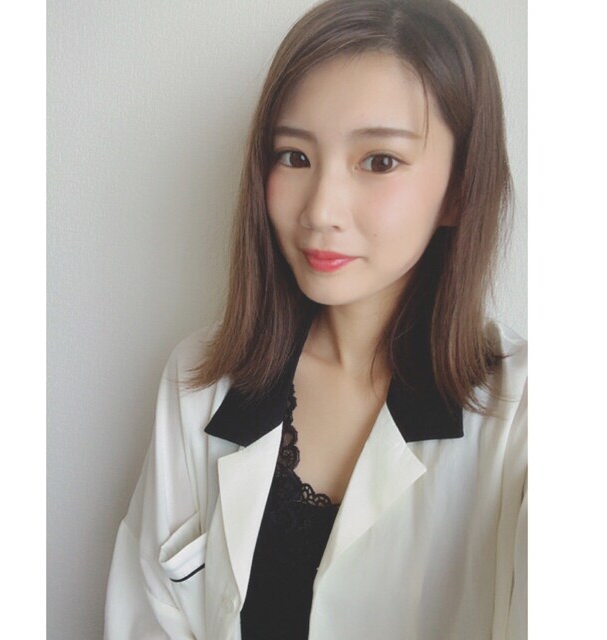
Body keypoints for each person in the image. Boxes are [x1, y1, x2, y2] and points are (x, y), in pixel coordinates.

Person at [104, 0, 527, 638]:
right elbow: (144, 616)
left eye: (379, 161)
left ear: (460, 188)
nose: (320, 210)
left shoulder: (527, 413)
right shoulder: (200, 378)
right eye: (294, 156)